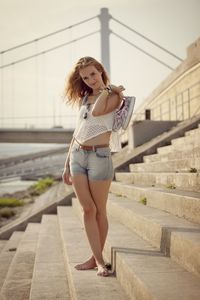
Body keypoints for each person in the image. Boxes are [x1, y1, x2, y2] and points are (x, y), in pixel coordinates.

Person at [62, 56, 125, 277]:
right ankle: (98, 260)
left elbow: (99, 112)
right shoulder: (84, 99)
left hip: (100, 157)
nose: (90, 80)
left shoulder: (115, 97)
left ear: (101, 71)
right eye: (85, 77)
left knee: (99, 211)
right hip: (77, 156)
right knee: (87, 209)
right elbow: (77, 132)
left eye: (93, 74)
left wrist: (109, 89)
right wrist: (66, 164)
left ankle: (96, 260)